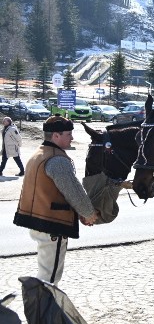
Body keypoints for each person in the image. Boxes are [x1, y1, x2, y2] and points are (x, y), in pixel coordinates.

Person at [13, 115, 100, 284]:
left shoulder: (39, 153)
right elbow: (73, 191)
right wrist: (88, 213)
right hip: (52, 225)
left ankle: (41, 306)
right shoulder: (57, 159)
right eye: (69, 134)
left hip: (38, 221)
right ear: (56, 136)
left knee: (46, 271)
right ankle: (42, 308)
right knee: (50, 277)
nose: (72, 138)